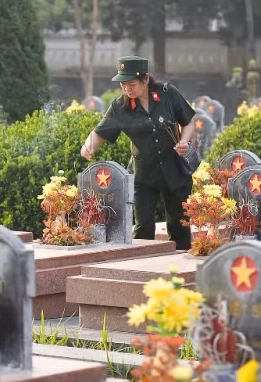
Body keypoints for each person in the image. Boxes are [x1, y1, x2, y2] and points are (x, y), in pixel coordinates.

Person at [80, 56, 196, 250]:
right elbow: (100, 131)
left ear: (145, 80)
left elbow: (189, 121)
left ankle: (180, 270)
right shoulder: (120, 107)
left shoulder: (168, 94)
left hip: (174, 169)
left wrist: (184, 140)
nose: (126, 89)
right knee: (143, 228)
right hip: (144, 174)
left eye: (131, 84)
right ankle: (143, 269)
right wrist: (89, 145)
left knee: (179, 226)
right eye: (123, 85)